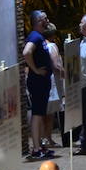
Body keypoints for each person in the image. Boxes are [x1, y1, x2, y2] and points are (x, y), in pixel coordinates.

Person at [22, 10, 56, 160]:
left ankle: (40, 145)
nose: (47, 20)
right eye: (45, 18)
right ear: (39, 21)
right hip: (37, 82)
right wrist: (35, 69)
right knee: (37, 113)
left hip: (42, 81)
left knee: (41, 113)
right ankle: (36, 148)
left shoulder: (40, 37)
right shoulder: (35, 37)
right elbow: (26, 52)